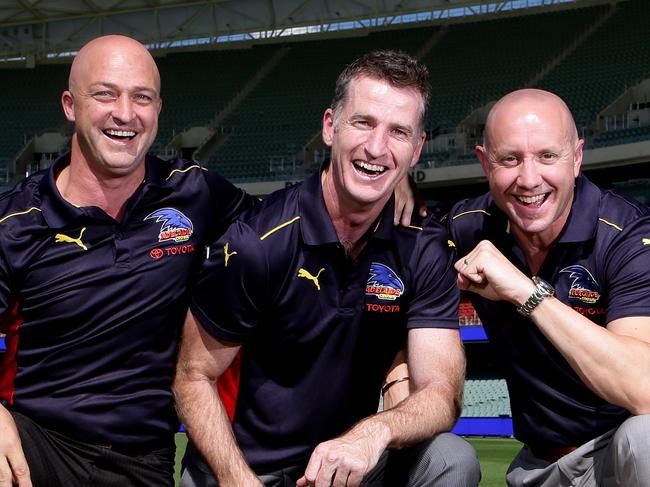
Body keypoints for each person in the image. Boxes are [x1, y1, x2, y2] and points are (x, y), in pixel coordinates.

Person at [173, 50, 481, 487]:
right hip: (248, 468)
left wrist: (375, 431)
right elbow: (191, 378)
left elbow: (440, 395)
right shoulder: (258, 242)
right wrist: (237, 478)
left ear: (416, 150)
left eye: (398, 132)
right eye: (363, 123)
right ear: (329, 127)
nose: (377, 147)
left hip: (345, 466)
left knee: (452, 459)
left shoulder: (423, 251)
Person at [0, 35, 254, 486]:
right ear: (70, 105)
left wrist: (389, 187)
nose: (125, 113)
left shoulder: (197, 194)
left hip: (144, 459)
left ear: (158, 109)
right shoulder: (15, 221)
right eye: (105, 93)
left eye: (142, 97)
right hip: (35, 446)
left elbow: (297, 221)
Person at [446, 88, 650, 486]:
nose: (528, 179)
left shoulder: (627, 234)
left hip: (622, 462)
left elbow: (644, 388)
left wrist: (524, 291)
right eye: (510, 159)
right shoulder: (465, 227)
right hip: (539, 467)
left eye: (547, 156)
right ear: (485, 163)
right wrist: (395, 189)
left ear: (576, 158)